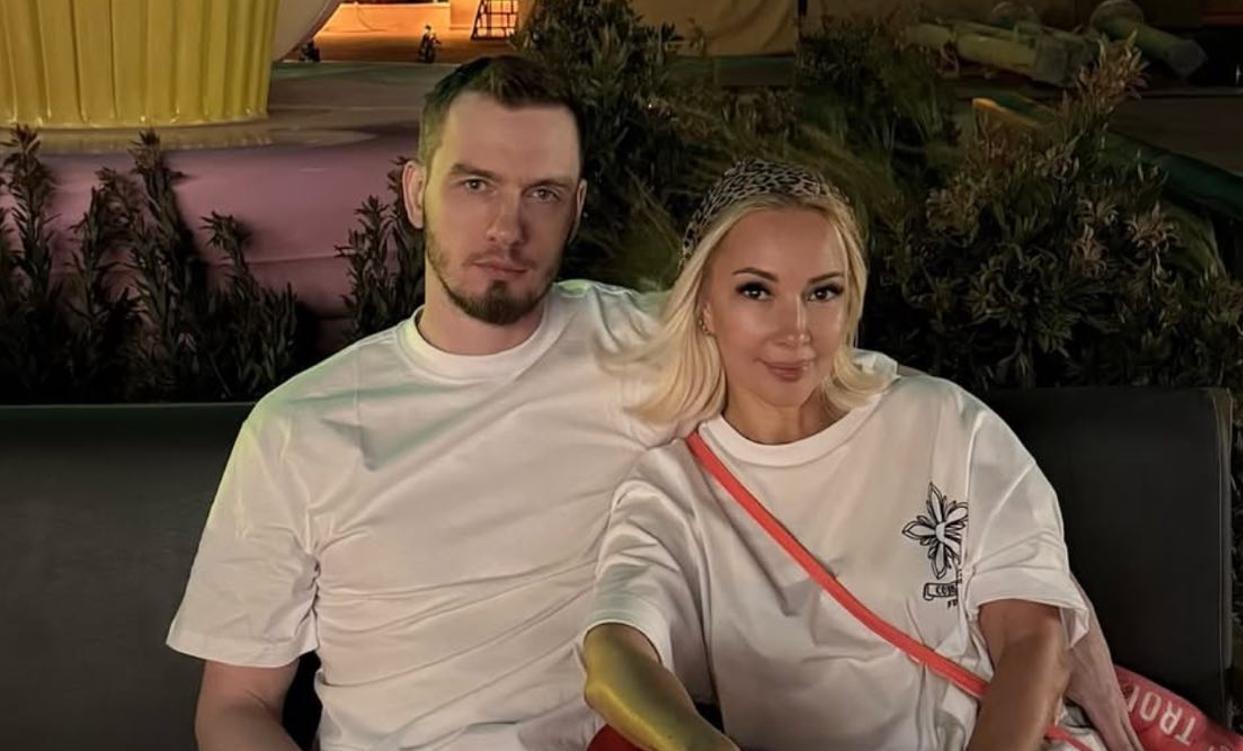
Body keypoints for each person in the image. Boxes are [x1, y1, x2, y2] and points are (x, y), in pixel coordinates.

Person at [167, 56, 1138, 751]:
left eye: (542, 193)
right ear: (416, 192)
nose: (506, 225)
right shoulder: (298, 428)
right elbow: (236, 705)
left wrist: (1053, 616)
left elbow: (854, 398)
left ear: (578, 207)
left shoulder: (647, 345)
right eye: (475, 184)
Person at [581, 160, 1109, 751]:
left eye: (822, 292)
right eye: (756, 291)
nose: (795, 329)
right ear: (705, 304)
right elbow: (615, 655)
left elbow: (1034, 642)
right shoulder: (673, 490)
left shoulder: (943, 423)